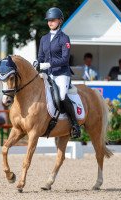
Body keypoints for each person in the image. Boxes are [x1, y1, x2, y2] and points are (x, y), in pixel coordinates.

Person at [37, 7, 80, 138]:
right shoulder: (44, 38)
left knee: (61, 96)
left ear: (60, 21)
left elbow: (64, 59)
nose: (50, 23)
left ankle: (75, 124)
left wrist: (48, 64)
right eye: (48, 20)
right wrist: (37, 64)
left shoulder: (64, 38)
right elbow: (40, 57)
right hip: (48, 74)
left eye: (53, 20)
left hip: (61, 73)